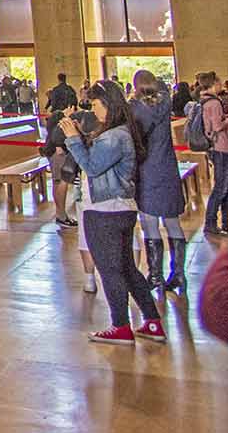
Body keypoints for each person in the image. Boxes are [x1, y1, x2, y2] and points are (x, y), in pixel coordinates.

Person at [62, 80, 166, 345]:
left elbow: (92, 166)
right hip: (119, 208)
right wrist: (79, 135)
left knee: (110, 270)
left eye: (96, 104)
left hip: (105, 210)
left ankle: (120, 325)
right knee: (127, 269)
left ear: (108, 104)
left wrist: (73, 139)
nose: (93, 110)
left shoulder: (114, 136)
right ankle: (152, 321)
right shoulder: (118, 132)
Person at [127, 70, 186, 293]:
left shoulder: (136, 109)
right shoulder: (165, 102)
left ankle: (155, 275)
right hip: (168, 167)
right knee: (173, 222)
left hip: (148, 170)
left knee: (149, 223)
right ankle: (178, 274)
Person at [199, 71, 227, 237]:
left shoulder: (204, 101)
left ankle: (224, 221)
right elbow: (217, 126)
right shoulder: (214, 103)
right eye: (219, 83)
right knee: (221, 187)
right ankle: (211, 222)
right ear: (213, 84)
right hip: (221, 146)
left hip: (215, 147)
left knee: (223, 185)